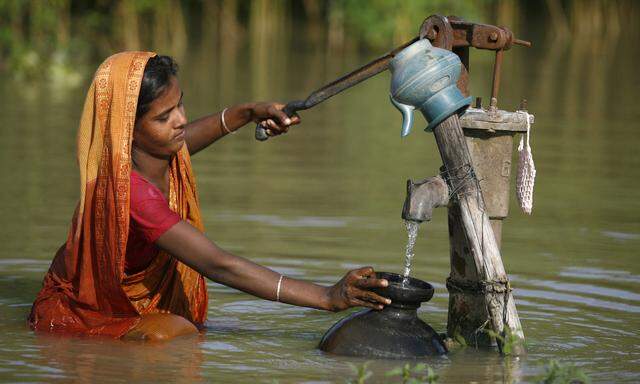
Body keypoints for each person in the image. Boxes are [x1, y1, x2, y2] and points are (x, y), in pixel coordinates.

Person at [28, 51, 390, 341]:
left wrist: (248, 112)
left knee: (187, 328)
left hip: (128, 302)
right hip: (81, 315)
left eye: (181, 104)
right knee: (179, 332)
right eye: (164, 116)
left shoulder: (162, 154)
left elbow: (193, 136)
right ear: (128, 131)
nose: (181, 120)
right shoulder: (131, 194)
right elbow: (218, 264)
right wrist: (326, 297)